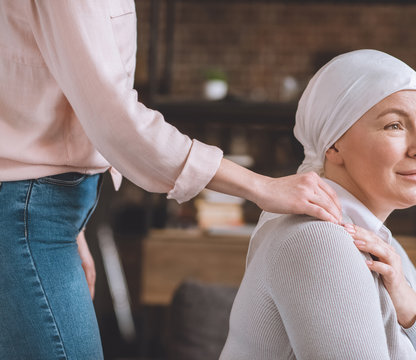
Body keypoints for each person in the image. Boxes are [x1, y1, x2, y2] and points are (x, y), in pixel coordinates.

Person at [0, 1, 341, 359]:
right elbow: (115, 119)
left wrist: (71, 228)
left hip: (37, 211)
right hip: (27, 213)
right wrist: (261, 186)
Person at [220, 49, 416, 359]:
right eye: (394, 125)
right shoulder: (317, 239)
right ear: (334, 145)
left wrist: (410, 309)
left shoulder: (380, 245)